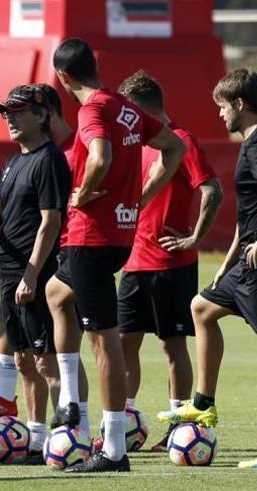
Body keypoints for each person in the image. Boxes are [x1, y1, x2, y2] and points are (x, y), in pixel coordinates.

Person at [46, 38, 185, 472]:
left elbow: (100, 157)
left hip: (92, 236)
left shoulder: (92, 110)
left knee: (104, 342)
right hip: (119, 234)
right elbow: (173, 148)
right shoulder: (127, 108)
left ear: (64, 78)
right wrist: (141, 197)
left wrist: (82, 195)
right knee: (54, 293)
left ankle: (113, 451)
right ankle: (71, 398)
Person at [0, 85, 92, 440]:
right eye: (7, 112)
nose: (10, 119)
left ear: (42, 115)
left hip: (37, 273)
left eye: (19, 112)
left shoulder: (49, 161)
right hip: (10, 272)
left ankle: (76, 432)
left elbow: (51, 221)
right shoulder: (14, 162)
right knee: (23, 359)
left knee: (49, 360)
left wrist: (33, 274)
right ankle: (36, 436)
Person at [115, 70, 223, 451]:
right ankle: (123, 421)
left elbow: (212, 189)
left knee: (171, 345)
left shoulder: (181, 140)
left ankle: (179, 427)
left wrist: (195, 237)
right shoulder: (136, 144)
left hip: (170, 264)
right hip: (132, 262)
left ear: (142, 108)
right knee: (124, 340)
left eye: (129, 111)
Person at [158, 69, 257, 470]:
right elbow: (247, 214)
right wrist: (229, 260)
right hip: (244, 263)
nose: (219, 116)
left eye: (221, 107)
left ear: (239, 105)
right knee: (201, 307)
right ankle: (202, 405)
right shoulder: (247, 145)